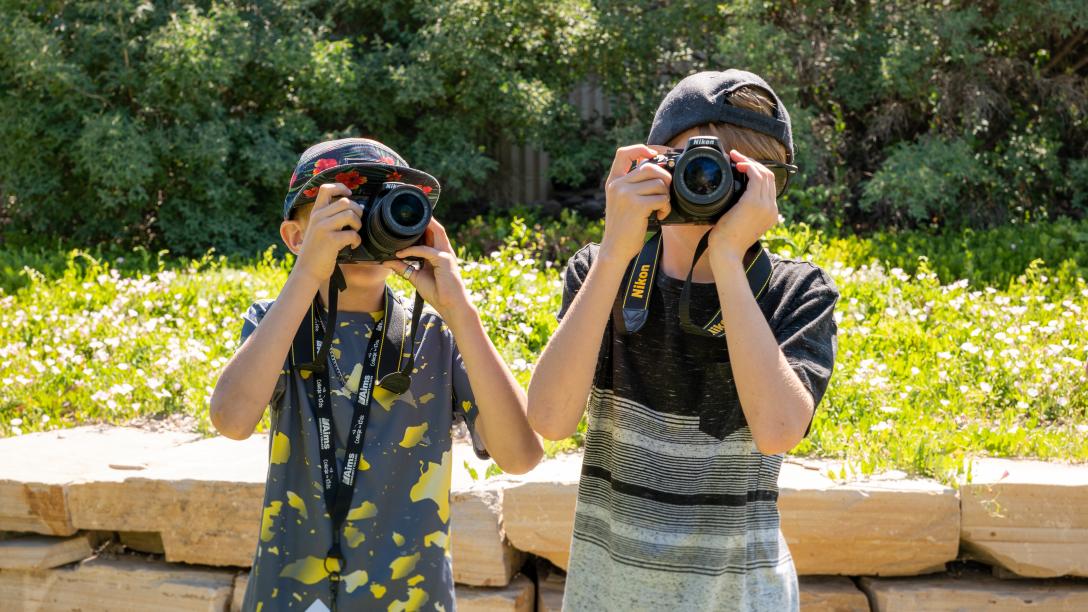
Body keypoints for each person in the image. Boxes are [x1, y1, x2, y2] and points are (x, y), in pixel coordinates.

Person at [527, 70, 839, 611]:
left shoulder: (796, 290)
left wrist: (726, 258)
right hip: (609, 595)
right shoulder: (604, 275)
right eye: (696, 166)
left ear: (767, 186)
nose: (710, 184)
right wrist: (613, 251)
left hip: (740, 598)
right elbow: (551, 420)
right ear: (651, 164)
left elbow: (778, 431)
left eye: (737, 172)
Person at [210, 138, 543, 611]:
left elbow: (522, 456)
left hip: (410, 599)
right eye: (343, 210)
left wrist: (461, 313)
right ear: (295, 237)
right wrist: (306, 277)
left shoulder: (436, 334)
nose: (360, 229)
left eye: (380, 209)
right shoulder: (278, 324)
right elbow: (230, 419)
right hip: (290, 596)